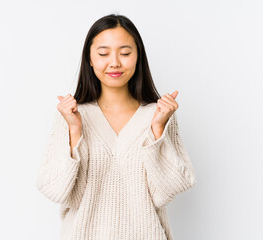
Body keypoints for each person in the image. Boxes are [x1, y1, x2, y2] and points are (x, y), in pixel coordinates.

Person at [36, 13, 196, 240]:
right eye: (103, 53)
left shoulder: (158, 115)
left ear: (138, 57)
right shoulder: (71, 115)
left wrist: (157, 131)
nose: (114, 62)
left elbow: (167, 191)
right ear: (90, 59)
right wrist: (74, 132)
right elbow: (56, 189)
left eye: (125, 53)